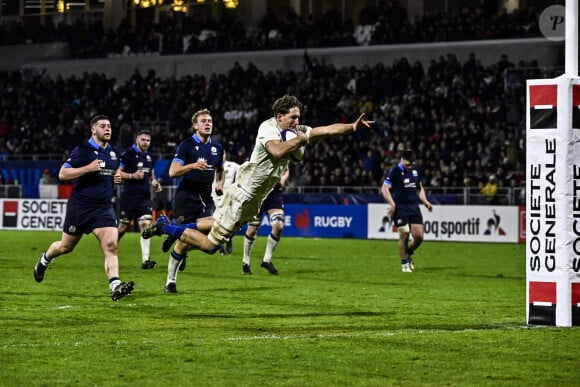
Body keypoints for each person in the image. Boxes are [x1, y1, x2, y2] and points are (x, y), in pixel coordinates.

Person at [142, 95, 374, 264]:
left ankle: (171, 227)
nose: (297, 121)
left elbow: (326, 130)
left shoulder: (295, 130)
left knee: (214, 224)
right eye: (293, 117)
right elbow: (276, 151)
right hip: (243, 194)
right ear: (279, 116)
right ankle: (166, 227)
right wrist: (301, 141)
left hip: (254, 199)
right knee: (211, 246)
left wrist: (352, 127)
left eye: (299, 118)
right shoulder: (268, 128)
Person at [33, 115, 135, 301]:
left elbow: (114, 171)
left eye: (109, 126)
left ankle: (115, 285)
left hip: (103, 207)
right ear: (93, 130)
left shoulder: (113, 152)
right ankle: (45, 259)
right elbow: (63, 174)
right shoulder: (83, 151)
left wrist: (117, 177)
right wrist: (87, 168)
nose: (107, 129)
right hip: (80, 207)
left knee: (111, 245)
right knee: (65, 247)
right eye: (103, 126)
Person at [161, 108, 225, 293]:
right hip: (185, 199)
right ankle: (170, 282)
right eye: (203, 121)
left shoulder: (218, 148)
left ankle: (171, 230)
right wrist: (192, 165)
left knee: (209, 235)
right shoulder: (187, 145)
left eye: (210, 121)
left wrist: (220, 183)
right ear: (195, 125)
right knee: (186, 240)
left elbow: (220, 169)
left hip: (206, 200)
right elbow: (173, 172)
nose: (207, 124)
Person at [117, 129, 163, 270]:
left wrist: (155, 182)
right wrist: (132, 176)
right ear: (137, 140)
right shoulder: (128, 154)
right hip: (129, 196)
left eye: (148, 140)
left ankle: (145, 260)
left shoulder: (149, 157)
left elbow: (151, 175)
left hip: (144, 197)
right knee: (123, 228)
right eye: (143, 140)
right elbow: (118, 173)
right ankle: (110, 248)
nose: (146, 143)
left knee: (145, 225)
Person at [381, 149, 433, 273]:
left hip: (413, 207)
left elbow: (420, 189)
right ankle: (405, 264)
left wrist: (425, 201)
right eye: (407, 164)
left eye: (412, 164)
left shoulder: (416, 172)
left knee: (419, 236)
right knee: (404, 234)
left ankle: (408, 252)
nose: (410, 167)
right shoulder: (395, 172)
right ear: (402, 159)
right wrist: (392, 204)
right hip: (400, 207)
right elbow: (385, 188)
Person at [242, 167, 289, 275]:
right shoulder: (259, 150)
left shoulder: (284, 152)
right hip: (258, 193)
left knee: (279, 226)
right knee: (253, 229)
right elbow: (248, 167)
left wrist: (283, 179)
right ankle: (245, 262)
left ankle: (266, 261)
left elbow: (286, 168)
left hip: (274, 194)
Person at [211, 150, 240, 255]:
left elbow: (244, 170)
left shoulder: (232, 166)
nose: (221, 155)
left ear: (225, 155)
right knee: (218, 221)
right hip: (215, 197)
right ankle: (221, 246)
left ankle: (229, 239)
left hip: (229, 198)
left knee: (234, 222)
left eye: (222, 153)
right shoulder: (211, 165)